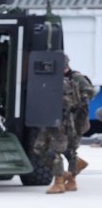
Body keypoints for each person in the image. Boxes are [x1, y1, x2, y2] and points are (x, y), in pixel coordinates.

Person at [33, 65, 77, 195]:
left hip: (60, 123)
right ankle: (64, 174)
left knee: (55, 152)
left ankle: (59, 183)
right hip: (48, 121)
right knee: (38, 148)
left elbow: (70, 103)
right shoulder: (48, 82)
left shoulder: (63, 83)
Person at [64, 54, 96, 191]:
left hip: (77, 120)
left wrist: (77, 101)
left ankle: (72, 181)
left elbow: (90, 91)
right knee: (64, 148)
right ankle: (78, 164)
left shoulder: (76, 77)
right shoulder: (62, 78)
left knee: (71, 148)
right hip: (66, 119)